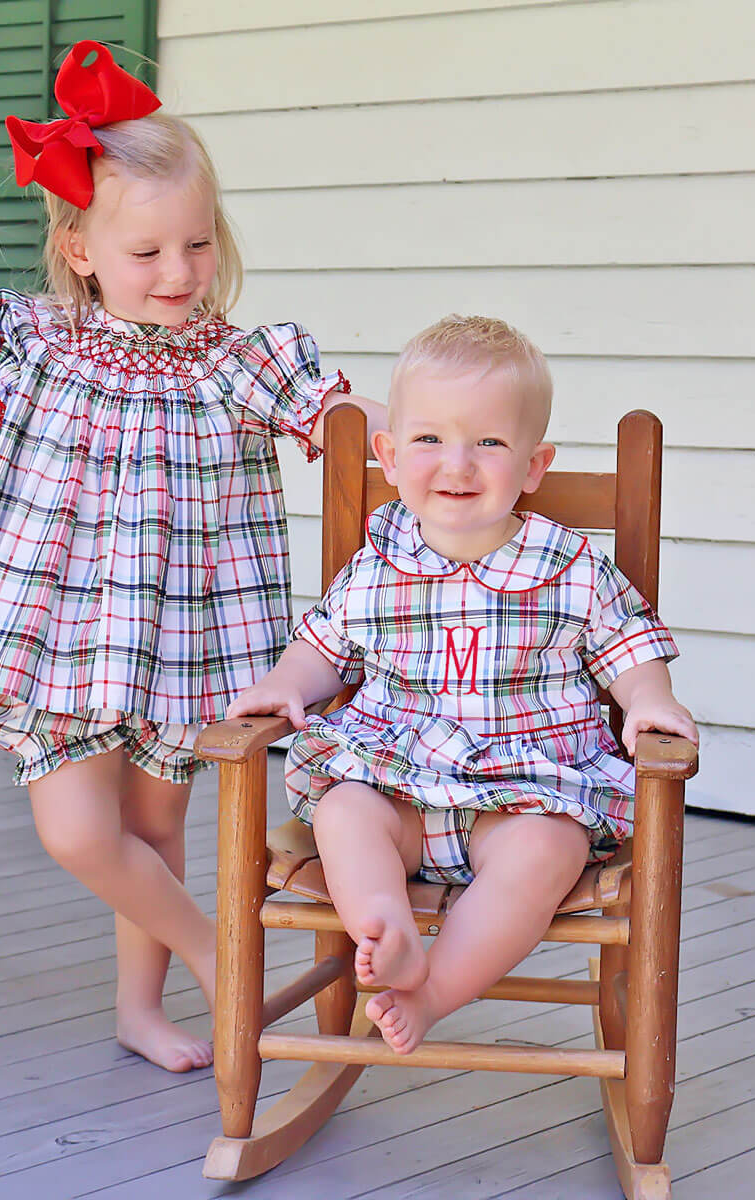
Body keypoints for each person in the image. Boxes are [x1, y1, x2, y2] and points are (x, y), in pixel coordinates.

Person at [0, 40, 385, 1073]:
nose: (179, 274)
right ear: (82, 248)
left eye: (194, 244)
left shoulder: (236, 361)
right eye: (148, 254)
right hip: (61, 628)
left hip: (187, 634)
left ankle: (143, 1010)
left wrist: (422, 434)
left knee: (155, 826)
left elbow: (339, 414)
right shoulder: (38, 342)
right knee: (80, 834)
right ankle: (225, 965)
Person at [227, 314, 697, 1054]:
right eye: (429, 439)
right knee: (343, 812)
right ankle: (387, 927)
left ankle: (436, 989)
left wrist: (649, 699)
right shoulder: (376, 562)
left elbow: (628, 645)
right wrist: (288, 684)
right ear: (387, 452)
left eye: (489, 442)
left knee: (546, 854)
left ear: (533, 466)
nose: (458, 464)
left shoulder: (568, 566)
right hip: (395, 782)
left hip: (526, 792)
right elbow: (322, 649)